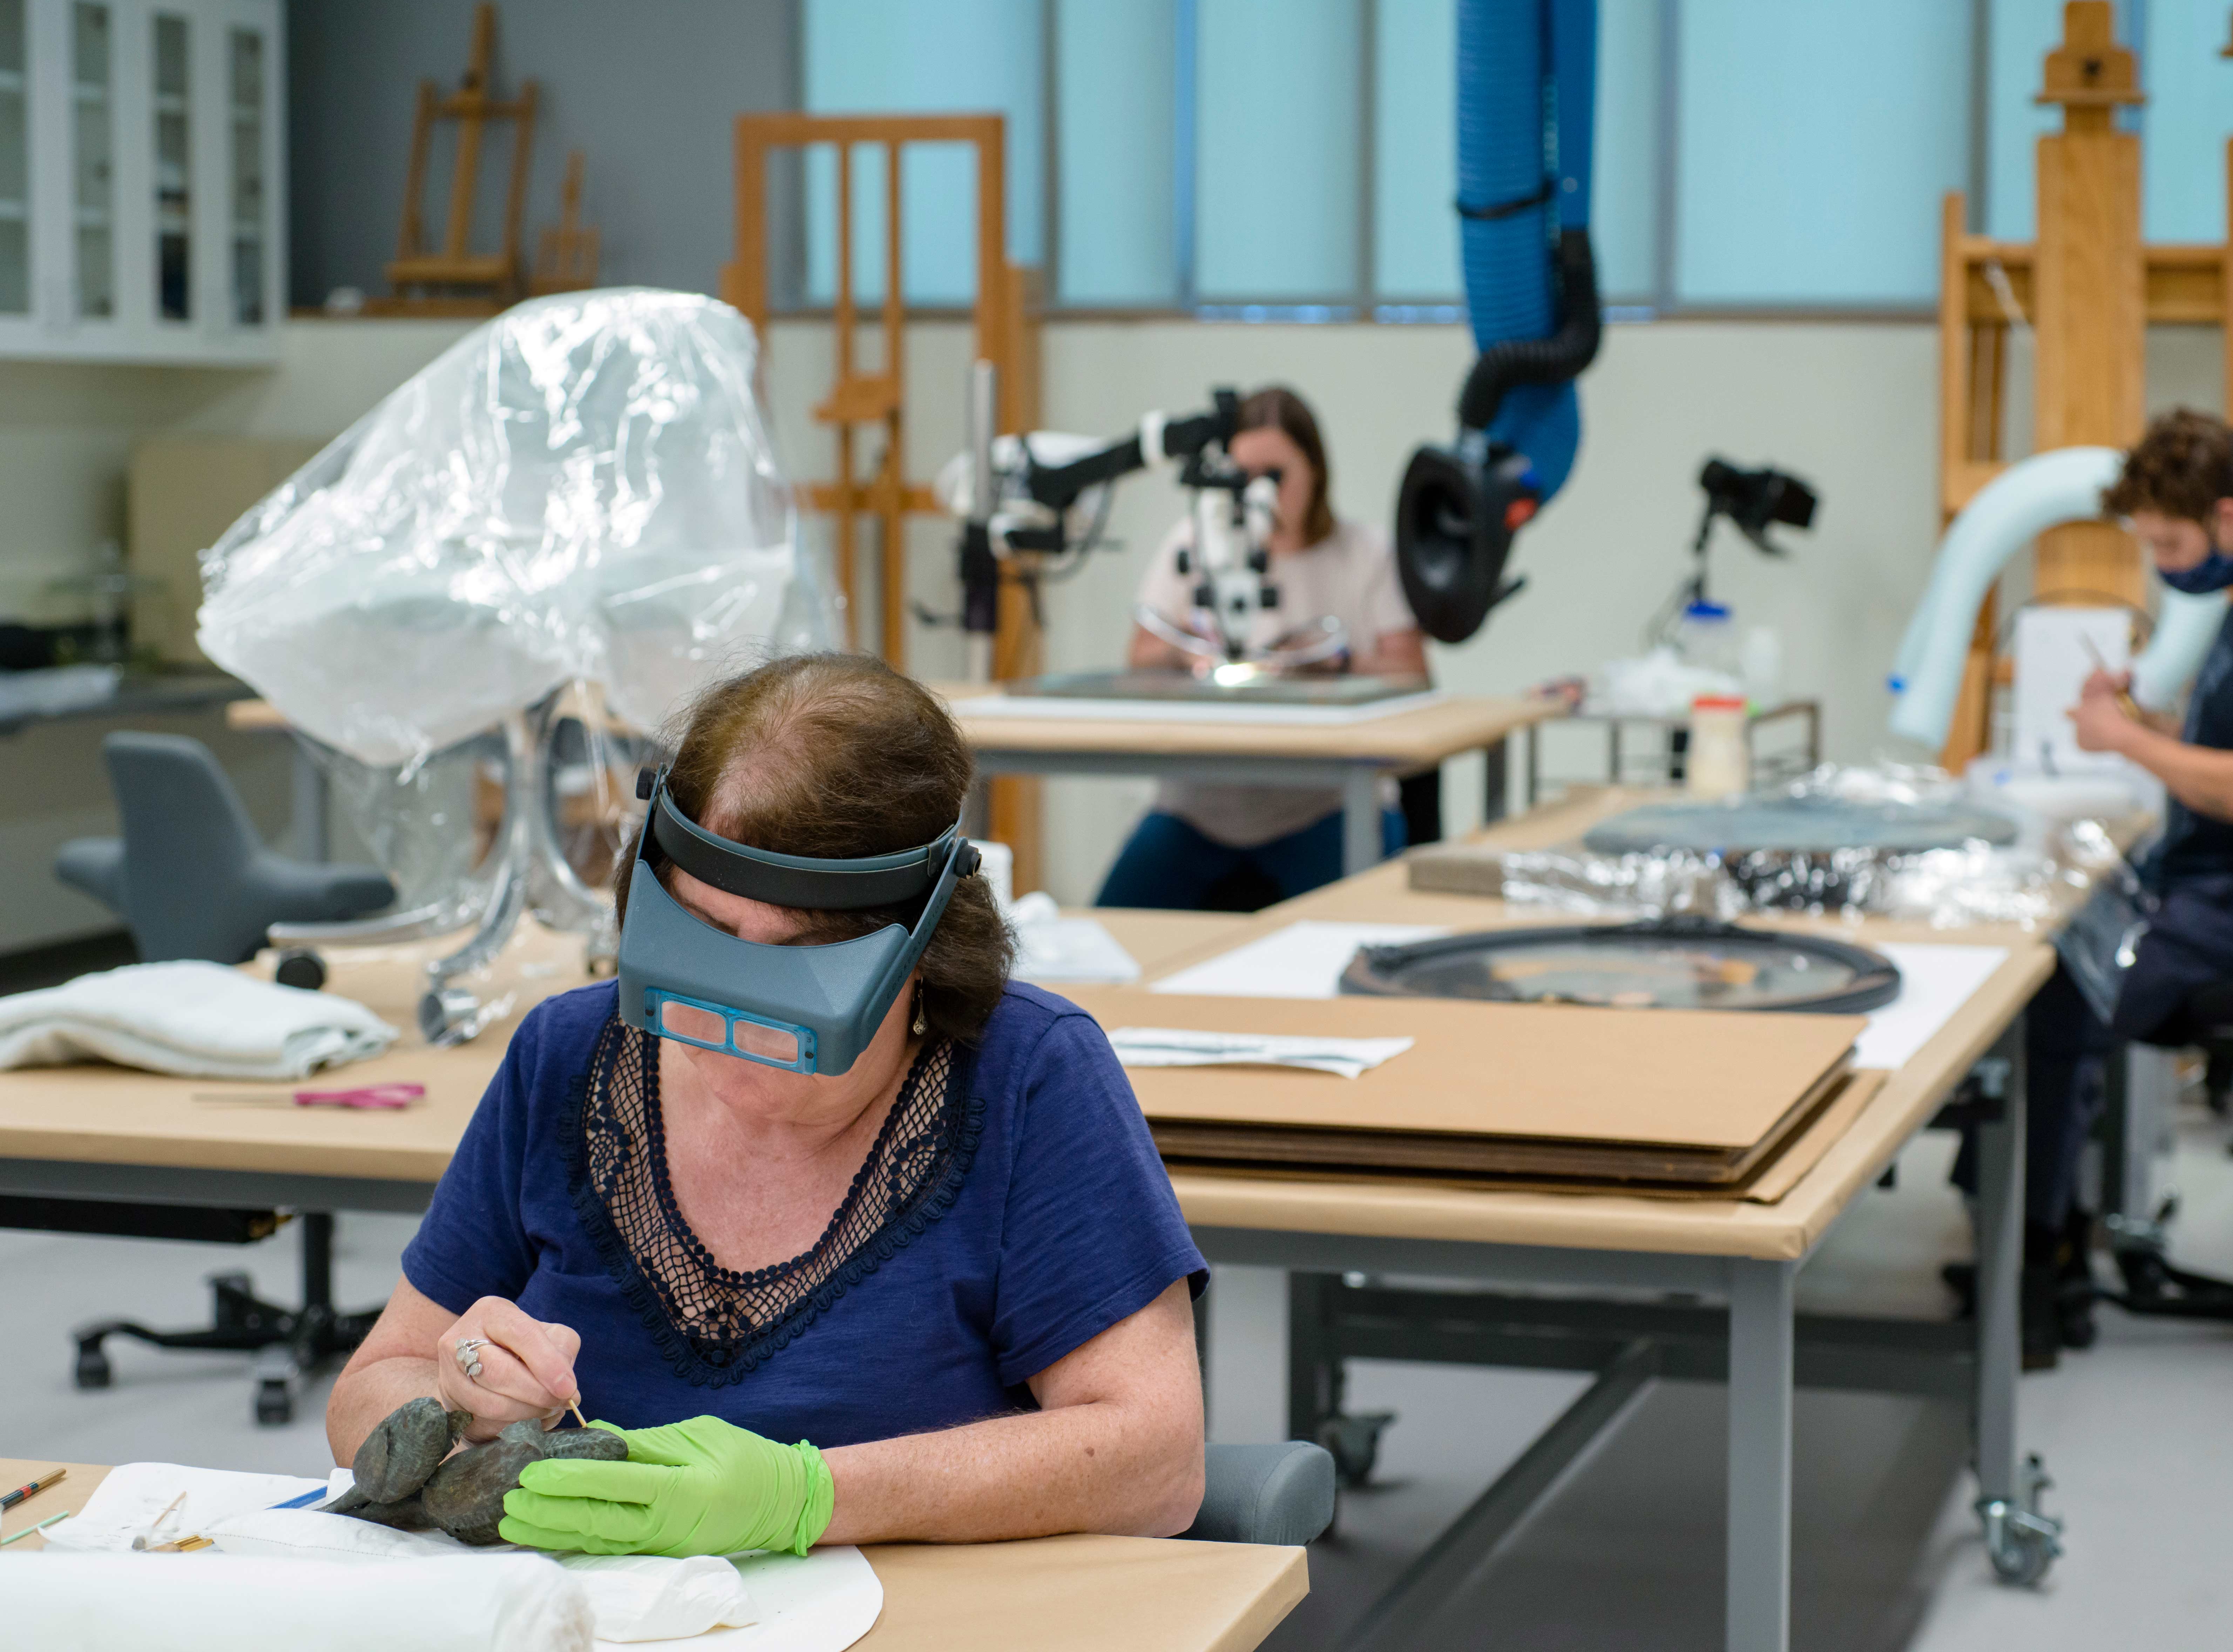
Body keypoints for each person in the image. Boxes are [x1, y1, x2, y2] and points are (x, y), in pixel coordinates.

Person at [325, 654, 1209, 1555]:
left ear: (922, 947)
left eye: (792, 961)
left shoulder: (1026, 1074)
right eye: (703, 939)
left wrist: (811, 1497)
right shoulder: (566, 1054)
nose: (728, 1015)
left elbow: (1156, 1459)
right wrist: (453, 1397)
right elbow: (364, 1397)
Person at [1964, 408, 2233, 1363]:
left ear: (2230, 518)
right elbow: (2229, 758)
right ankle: (2040, 1225)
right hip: (2211, 893)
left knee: (2057, 1003)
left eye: (2172, 544)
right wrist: (2147, 715)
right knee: (2047, 947)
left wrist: (2124, 739)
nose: (2165, 564)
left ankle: (2032, 1269)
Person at [1095, 386, 1429, 912]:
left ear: (1315, 471)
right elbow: (1143, 654)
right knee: (1114, 931)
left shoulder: (1365, 553)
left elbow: (1412, 673)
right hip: (1200, 808)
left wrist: (1332, 663)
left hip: (1324, 805)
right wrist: (1189, 655)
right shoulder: (1196, 541)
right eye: (1243, 477)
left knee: (1352, 937)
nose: (1258, 495)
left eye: (1275, 477)